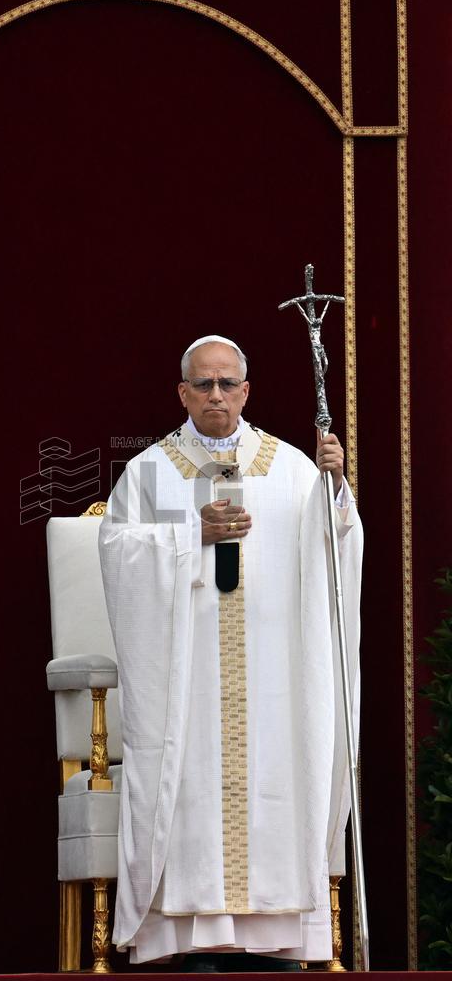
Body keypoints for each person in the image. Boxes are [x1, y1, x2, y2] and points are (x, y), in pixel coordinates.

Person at [98, 335, 363, 971]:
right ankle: (189, 941)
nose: (216, 395)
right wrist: (193, 535)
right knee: (188, 785)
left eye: (228, 384)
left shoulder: (294, 467)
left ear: (246, 391)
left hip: (273, 676)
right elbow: (120, 556)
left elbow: (336, 548)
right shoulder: (153, 471)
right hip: (186, 682)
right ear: (182, 392)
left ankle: (277, 938)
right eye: (203, 384)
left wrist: (334, 487)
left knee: (274, 778)